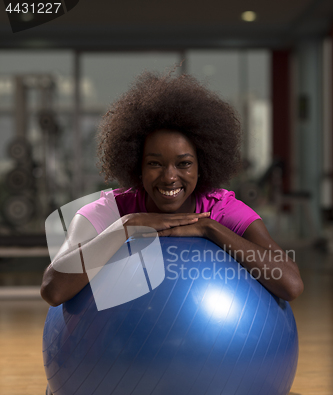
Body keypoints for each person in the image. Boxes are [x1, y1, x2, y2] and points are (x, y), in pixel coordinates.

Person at [41, 71, 304, 309]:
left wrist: (209, 228)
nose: (169, 177)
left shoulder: (221, 209)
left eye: (184, 164)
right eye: (155, 163)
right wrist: (127, 226)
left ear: (201, 167)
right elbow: (53, 290)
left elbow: (291, 284)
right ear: (137, 167)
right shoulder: (108, 211)